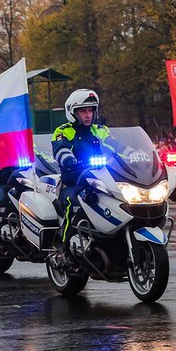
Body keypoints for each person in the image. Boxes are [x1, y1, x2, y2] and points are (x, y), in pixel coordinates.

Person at [51, 89, 115, 262]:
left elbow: (116, 146)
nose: (88, 115)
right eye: (83, 111)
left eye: (91, 110)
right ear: (73, 113)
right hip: (74, 184)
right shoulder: (64, 131)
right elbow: (60, 149)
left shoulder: (100, 130)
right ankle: (65, 250)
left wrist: (135, 154)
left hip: (102, 183)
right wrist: (70, 160)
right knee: (74, 202)